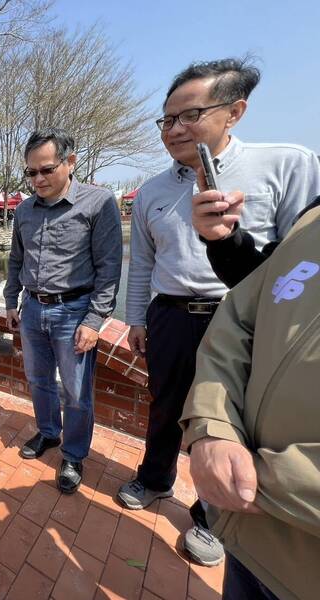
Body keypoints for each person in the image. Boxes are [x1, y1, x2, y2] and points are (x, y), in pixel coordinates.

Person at [119, 57, 320, 567]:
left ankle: (211, 517)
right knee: (164, 403)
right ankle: (155, 478)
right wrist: (138, 319)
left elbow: (300, 262)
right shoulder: (154, 190)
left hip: (241, 319)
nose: (174, 130)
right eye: (166, 120)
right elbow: (142, 260)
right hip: (170, 314)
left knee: (238, 421)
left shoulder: (288, 165)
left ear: (234, 111)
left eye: (189, 115)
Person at [179, 202, 320, 600]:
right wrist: (213, 425)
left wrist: (250, 482)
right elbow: (240, 316)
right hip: (247, 540)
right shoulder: (312, 217)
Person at [4, 128, 122, 494]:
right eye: (31, 172)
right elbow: (15, 259)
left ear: (70, 162)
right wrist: (11, 300)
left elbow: (109, 267)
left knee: (75, 391)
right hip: (33, 310)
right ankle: (49, 432)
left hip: (74, 312)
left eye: (46, 170)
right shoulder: (24, 209)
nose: (37, 179)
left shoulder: (98, 203)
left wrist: (94, 319)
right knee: (38, 381)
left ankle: (73, 453)